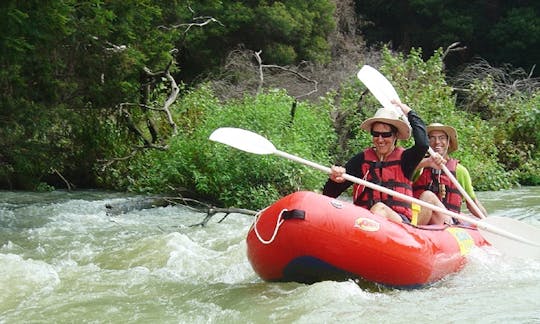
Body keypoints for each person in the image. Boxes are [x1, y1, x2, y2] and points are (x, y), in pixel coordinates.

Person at [322, 100, 429, 223]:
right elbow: (329, 194)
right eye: (376, 134)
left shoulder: (406, 159)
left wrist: (409, 112)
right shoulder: (361, 160)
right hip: (362, 221)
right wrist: (334, 179)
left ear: (395, 136)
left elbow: (423, 144)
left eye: (386, 134)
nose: (380, 139)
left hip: (398, 223)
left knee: (379, 209)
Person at [412, 123, 488, 225]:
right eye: (432, 138)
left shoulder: (460, 171)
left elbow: (472, 204)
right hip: (421, 218)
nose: (437, 142)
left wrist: (488, 222)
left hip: (447, 223)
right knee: (428, 196)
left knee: (428, 196)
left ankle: (411, 231)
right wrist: (425, 162)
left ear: (448, 142)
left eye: (442, 138)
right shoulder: (419, 166)